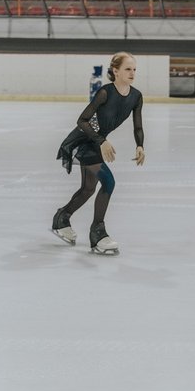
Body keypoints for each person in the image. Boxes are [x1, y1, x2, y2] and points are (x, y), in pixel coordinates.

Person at [52, 52, 145, 255]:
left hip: (96, 143)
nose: (132, 73)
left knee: (88, 189)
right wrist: (101, 141)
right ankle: (98, 233)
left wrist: (140, 145)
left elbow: (137, 125)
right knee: (108, 182)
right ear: (115, 71)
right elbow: (82, 121)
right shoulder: (105, 93)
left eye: (134, 69)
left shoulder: (136, 96)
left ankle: (62, 218)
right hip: (84, 141)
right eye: (128, 69)